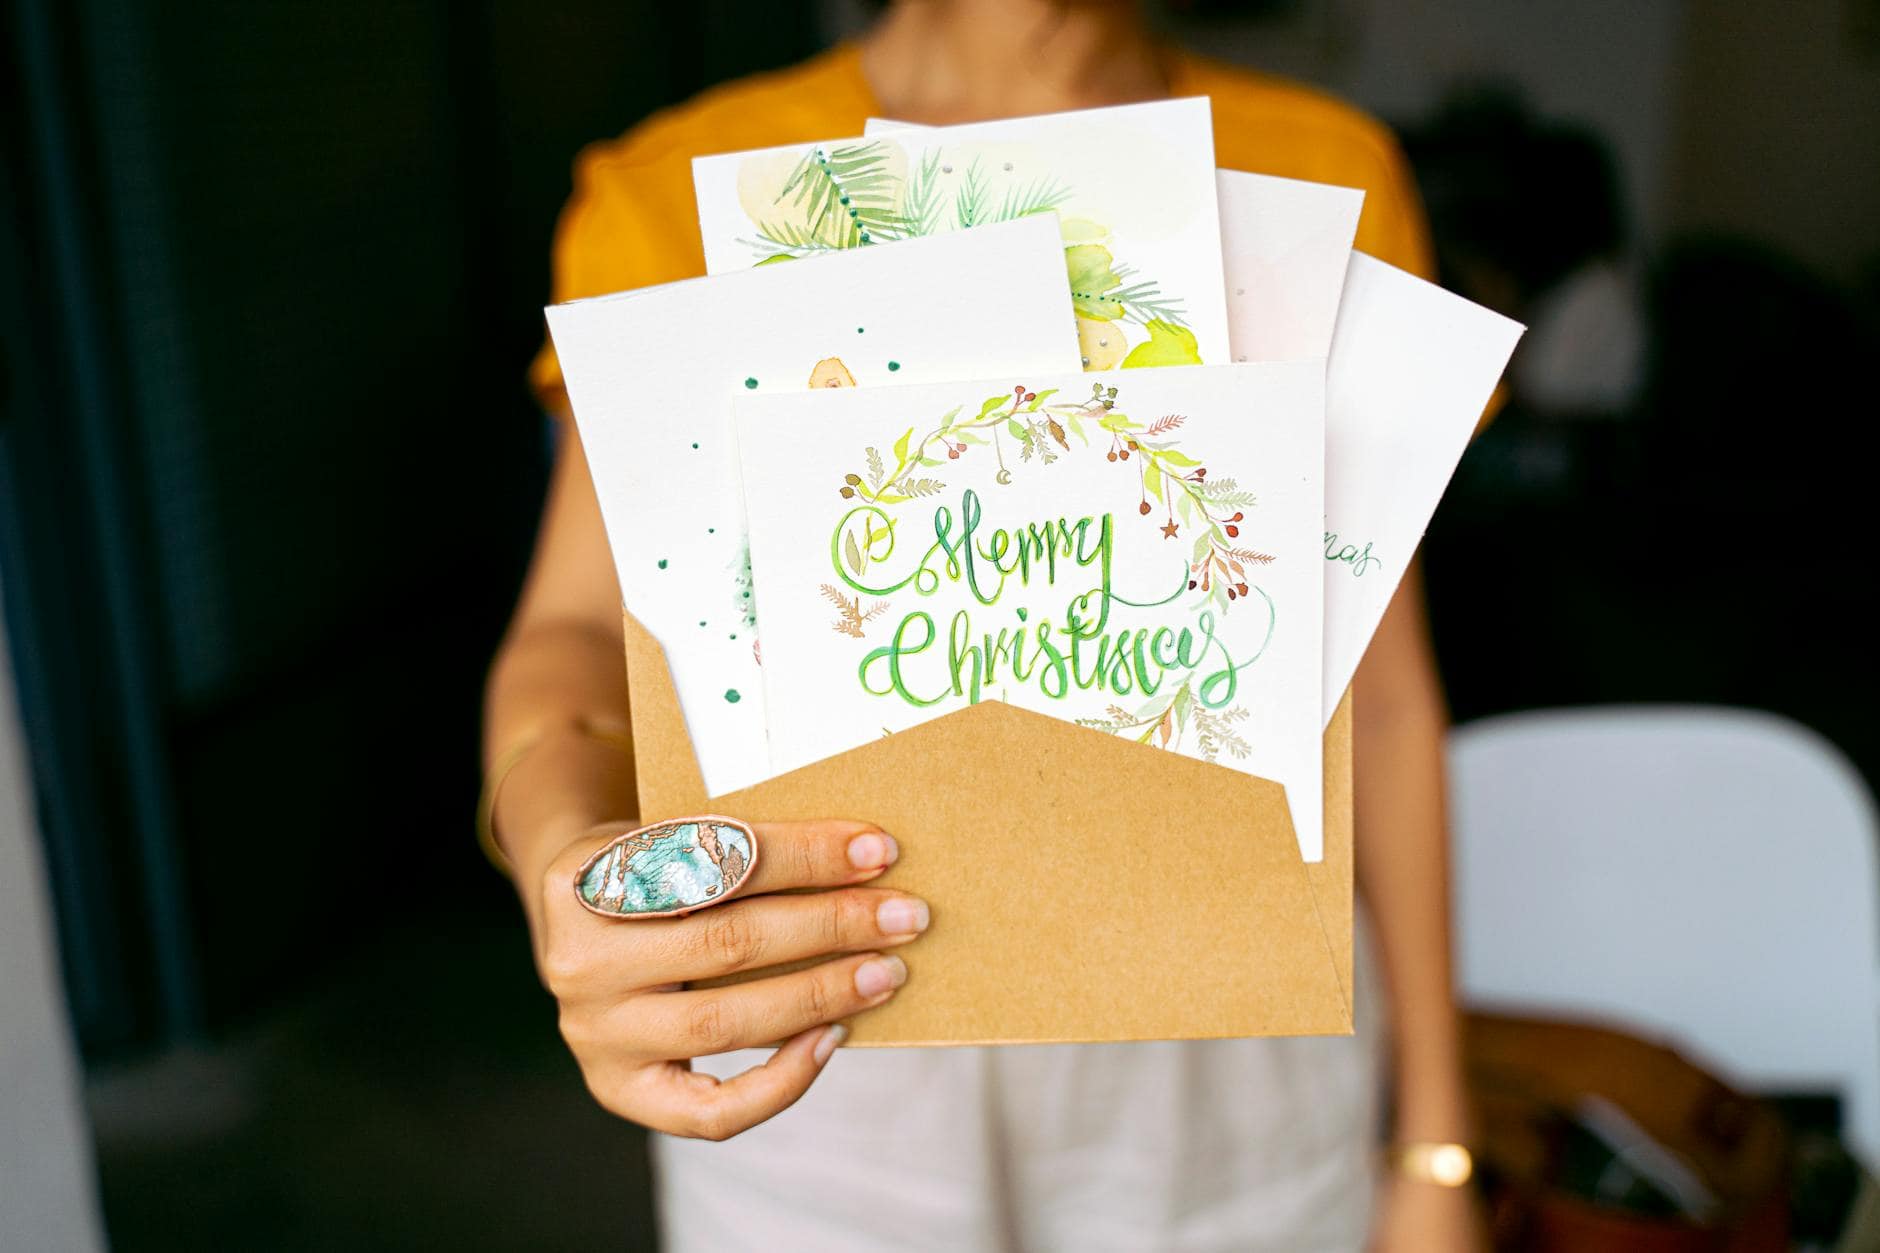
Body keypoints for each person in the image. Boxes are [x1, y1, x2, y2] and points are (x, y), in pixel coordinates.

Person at [484, 2, 1480, 1248]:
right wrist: (561, 860)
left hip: (1224, 1031)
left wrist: (1434, 1144)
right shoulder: (675, 190)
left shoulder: (1320, 168)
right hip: (823, 1017)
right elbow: (573, 635)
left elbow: (1382, 703)